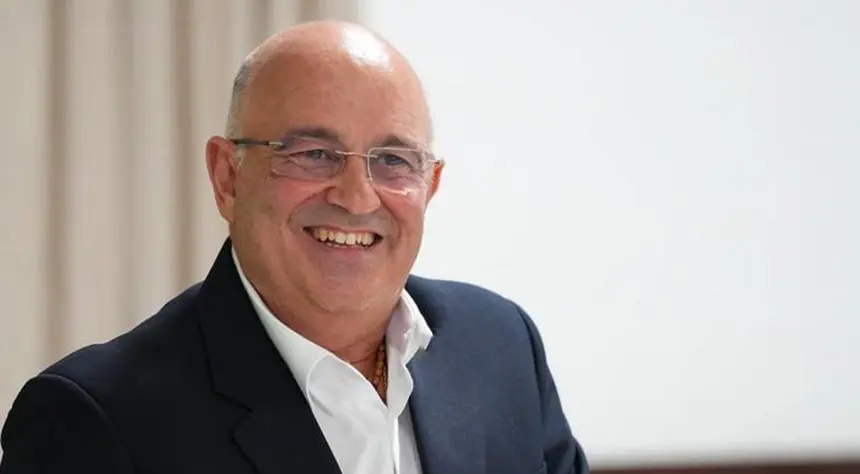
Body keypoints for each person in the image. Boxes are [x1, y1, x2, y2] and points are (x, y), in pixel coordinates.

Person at [0, 20, 588, 474]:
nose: (357, 197)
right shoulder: (96, 420)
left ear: (430, 187)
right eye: (313, 154)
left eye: (393, 160)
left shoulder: (501, 347)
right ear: (227, 177)